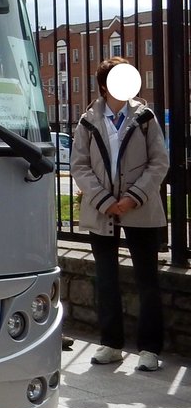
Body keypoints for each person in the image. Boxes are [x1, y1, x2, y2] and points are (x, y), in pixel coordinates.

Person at [70, 56, 169, 371]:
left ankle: (150, 349)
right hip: (102, 211)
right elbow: (79, 165)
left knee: (147, 280)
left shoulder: (145, 117)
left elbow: (159, 161)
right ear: (104, 86)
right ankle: (111, 344)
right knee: (106, 279)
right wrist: (103, 200)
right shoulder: (87, 121)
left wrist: (132, 197)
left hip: (140, 208)